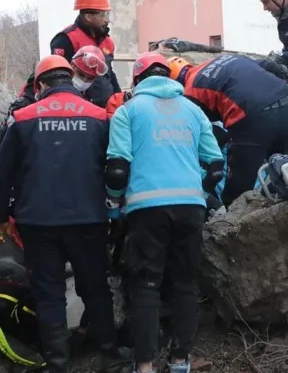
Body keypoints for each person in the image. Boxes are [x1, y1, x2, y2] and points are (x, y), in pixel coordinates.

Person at [0, 55, 130, 373]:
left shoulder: (22, 118)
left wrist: (2, 217)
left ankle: (58, 362)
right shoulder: (100, 116)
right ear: (70, 79)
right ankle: (109, 353)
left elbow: (3, 174)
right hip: (88, 217)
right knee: (95, 285)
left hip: (37, 221)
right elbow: (114, 167)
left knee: (48, 292)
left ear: (40, 84)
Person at [105, 52, 224, 373]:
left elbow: (117, 169)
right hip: (190, 208)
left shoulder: (127, 112)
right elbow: (215, 166)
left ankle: (144, 365)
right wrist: (198, 193)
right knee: (184, 283)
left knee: (145, 284)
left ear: (137, 81)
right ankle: (180, 360)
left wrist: (115, 205)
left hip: (146, 209)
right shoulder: (193, 110)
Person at [167, 54, 288, 206]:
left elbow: (202, 132)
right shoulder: (224, 59)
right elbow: (271, 66)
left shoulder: (190, 91)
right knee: (280, 168)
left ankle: (232, 225)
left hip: (255, 120)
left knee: (238, 188)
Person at [0, 45, 110, 145]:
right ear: (72, 65)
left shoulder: (98, 92)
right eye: (81, 74)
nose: (84, 81)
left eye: (90, 78)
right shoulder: (46, 76)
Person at [49, 0, 121, 107]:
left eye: (108, 14)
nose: (107, 20)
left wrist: (118, 97)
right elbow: (58, 76)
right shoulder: (66, 38)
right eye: (103, 15)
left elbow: (109, 73)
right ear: (88, 16)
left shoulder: (108, 42)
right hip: (77, 107)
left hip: (105, 107)